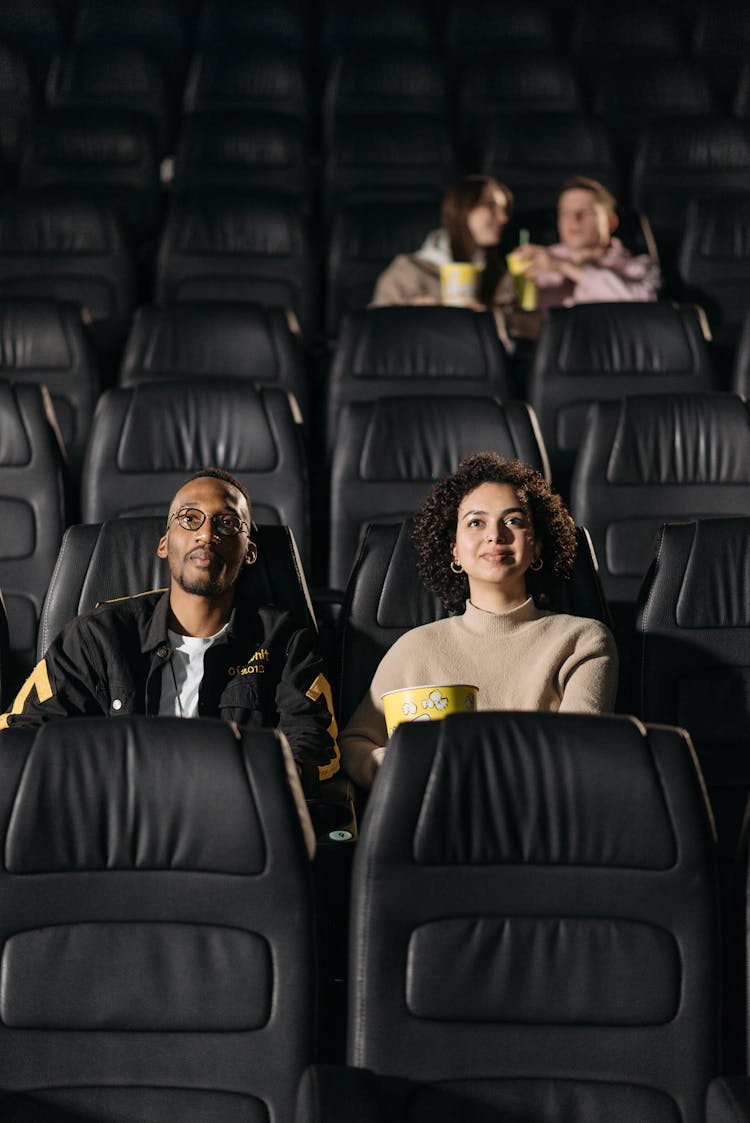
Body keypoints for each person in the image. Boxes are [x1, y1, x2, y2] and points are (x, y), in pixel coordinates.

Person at [0, 467, 340, 795]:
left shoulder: (284, 641)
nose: (207, 534)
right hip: (112, 826)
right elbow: (22, 734)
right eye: (190, 518)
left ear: (249, 552)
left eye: (228, 523)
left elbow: (314, 744)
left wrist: (241, 792)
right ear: (164, 544)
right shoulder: (96, 636)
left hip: (232, 828)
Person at [340, 452, 618, 789]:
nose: (495, 535)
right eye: (475, 522)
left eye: (514, 521)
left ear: (537, 546)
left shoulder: (583, 641)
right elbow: (355, 743)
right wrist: (404, 769)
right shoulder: (413, 648)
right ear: (454, 550)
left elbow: (575, 756)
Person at [370, 174, 517, 347]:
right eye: (491, 206)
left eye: (505, 210)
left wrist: (487, 317)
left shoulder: (500, 273)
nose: (503, 218)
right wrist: (411, 312)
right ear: (463, 209)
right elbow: (373, 329)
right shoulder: (408, 270)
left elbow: (526, 329)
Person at [514, 176, 660, 324]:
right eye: (566, 213)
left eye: (587, 212)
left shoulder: (640, 266)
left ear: (611, 222)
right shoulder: (537, 259)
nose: (575, 219)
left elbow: (644, 311)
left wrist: (567, 266)